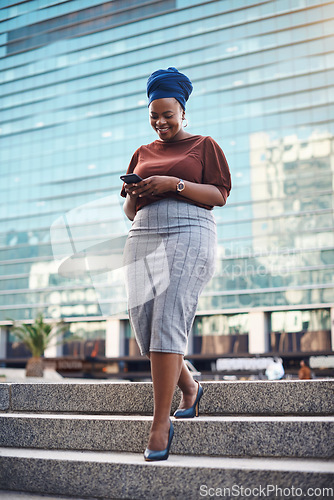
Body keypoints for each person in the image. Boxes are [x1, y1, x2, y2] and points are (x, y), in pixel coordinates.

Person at [120, 67, 231, 461]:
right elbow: (130, 211)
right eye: (154, 116)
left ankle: (159, 424)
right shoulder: (142, 152)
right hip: (144, 233)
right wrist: (135, 192)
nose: (160, 122)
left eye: (167, 114)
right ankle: (191, 388)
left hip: (190, 229)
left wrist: (174, 184)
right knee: (144, 322)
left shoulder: (204, 145)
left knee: (168, 319)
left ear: (183, 111)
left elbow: (218, 195)